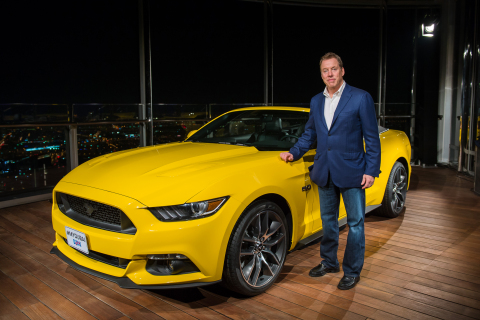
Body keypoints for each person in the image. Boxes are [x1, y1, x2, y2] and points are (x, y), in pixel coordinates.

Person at [280, 52, 381, 290]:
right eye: (325, 70)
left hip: (353, 171)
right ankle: (329, 262)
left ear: (342, 71)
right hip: (325, 171)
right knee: (328, 222)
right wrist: (294, 152)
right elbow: (310, 133)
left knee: (355, 223)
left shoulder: (360, 97)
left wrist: (371, 170)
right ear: (321, 74)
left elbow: (371, 138)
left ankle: (352, 271)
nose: (330, 74)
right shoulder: (317, 100)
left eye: (334, 69)